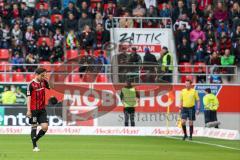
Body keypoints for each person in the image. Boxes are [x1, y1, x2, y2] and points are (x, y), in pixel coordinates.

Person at [26, 68, 53, 152]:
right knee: (34, 127)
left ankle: (34, 140)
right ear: (37, 74)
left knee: (45, 127)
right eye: (42, 75)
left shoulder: (44, 82)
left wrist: (48, 80)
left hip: (42, 109)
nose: (43, 77)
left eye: (44, 75)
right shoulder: (31, 84)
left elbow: (51, 88)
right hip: (34, 110)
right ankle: (34, 146)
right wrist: (28, 110)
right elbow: (28, 98)